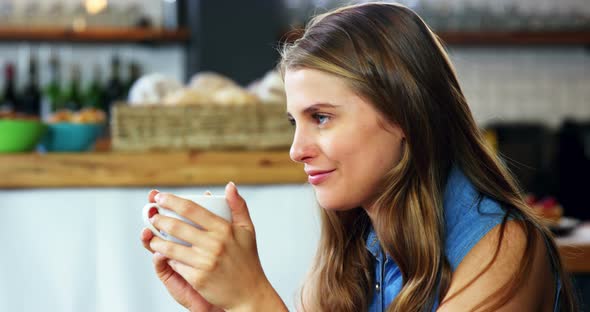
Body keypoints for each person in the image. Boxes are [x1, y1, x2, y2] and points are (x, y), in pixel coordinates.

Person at [140, 3, 578, 311]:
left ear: (406, 113)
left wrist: (252, 300)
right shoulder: (353, 253)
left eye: (322, 117)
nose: (297, 150)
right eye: (296, 122)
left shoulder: (506, 252)